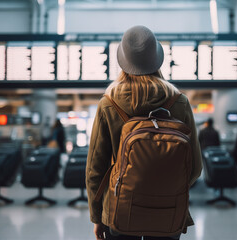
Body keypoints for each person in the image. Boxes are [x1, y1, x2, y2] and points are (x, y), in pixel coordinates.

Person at [86, 25, 202, 240]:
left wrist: (97, 216)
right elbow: (194, 167)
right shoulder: (180, 102)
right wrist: (165, 192)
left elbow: (96, 169)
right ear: (157, 59)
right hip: (168, 214)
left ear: (123, 62)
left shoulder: (109, 103)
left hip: (119, 211)